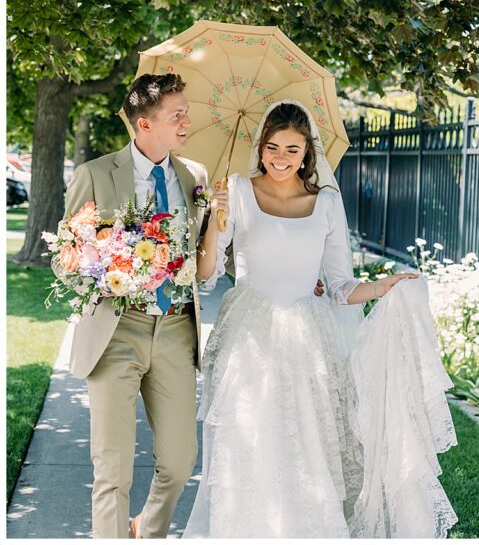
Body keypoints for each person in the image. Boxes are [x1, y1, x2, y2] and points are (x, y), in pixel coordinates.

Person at [183, 100, 457, 538]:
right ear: (260, 147)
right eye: (272, 148)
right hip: (250, 336)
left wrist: (382, 286)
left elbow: (340, 286)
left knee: (308, 446)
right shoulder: (234, 191)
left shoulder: (327, 202)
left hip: (308, 338)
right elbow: (206, 274)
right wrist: (213, 223)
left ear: (308, 152)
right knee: (249, 441)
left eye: (292, 150)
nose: (280, 159)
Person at [64, 74, 207, 538]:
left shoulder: (195, 177)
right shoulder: (94, 174)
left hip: (175, 330)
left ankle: (146, 530)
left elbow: (207, 260)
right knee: (113, 469)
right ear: (144, 124)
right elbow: (64, 260)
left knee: (181, 461)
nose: (187, 122)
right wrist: (110, 268)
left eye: (186, 112)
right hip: (115, 330)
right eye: (176, 115)